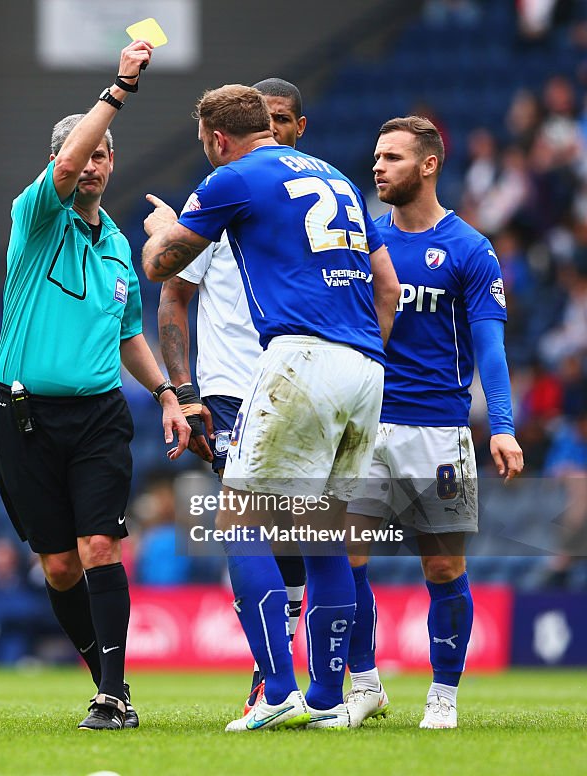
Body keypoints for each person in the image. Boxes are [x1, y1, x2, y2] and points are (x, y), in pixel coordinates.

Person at [142, 84, 400, 731]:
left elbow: (160, 267)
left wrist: (158, 232)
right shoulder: (337, 177)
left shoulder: (236, 176)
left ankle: (278, 686)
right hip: (366, 366)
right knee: (321, 533)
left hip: (300, 359)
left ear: (217, 139)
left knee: (238, 518)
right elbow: (388, 286)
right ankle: (327, 698)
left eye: (207, 145)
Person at [0, 40, 190, 731]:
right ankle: (107, 680)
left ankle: (112, 691)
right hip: (25, 419)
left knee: (100, 547)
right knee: (58, 567)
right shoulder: (36, 218)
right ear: (63, 164)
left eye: (107, 155)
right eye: (87, 154)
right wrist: (118, 90)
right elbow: (70, 158)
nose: (96, 164)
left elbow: (129, 333)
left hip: (100, 416)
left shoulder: (114, 247)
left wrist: (165, 393)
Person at [344, 116, 524, 730]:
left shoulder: (471, 250)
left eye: (392, 157)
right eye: (376, 156)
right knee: (345, 557)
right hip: (365, 424)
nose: (378, 167)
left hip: (438, 431)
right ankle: (365, 682)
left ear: (428, 165)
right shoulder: (364, 241)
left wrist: (501, 425)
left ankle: (443, 694)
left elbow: (491, 349)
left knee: (443, 567)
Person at [158, 77, 308, 714]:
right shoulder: (219, 199)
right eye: (265, 120)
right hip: (234, 394)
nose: (273, 131)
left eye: (283, 120)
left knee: (293, 535)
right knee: (261, 526)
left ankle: (298, 683)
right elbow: (174, 296)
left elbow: (158, 265)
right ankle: (277, 679)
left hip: (298, 385)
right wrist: (186, 393)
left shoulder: (291, 190)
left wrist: (160, 230)